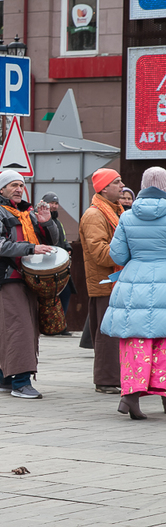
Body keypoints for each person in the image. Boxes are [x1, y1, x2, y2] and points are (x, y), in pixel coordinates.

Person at [0, 170, 58, 400]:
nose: (18, 189)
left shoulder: (28, 212)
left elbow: (52, 242)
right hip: (10, 277)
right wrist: (31, 248)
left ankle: (3, 378)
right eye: (13, 185)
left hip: (31, 277)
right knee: (20, 329)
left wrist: (47, 224)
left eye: (21, 185)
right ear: (1, 189)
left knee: (25, 328)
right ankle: (21, 382)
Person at [101, 166, 166, 420]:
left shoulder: (127, 217)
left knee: (135, 342)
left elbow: (117, 255)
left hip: (134, 282)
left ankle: (130, 397)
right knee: (163, 342)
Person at [79, 168, 125, 395]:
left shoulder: (114, 211)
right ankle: (106, 380)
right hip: (106, 283)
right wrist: (129, 252)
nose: (122, 185)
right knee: (107, 335)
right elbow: (100, 253)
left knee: (113, 333)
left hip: (114, 282)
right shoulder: (94, 215)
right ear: (104, 188)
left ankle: (114, 377)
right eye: (117, 182)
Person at [41, 191, 77, 335]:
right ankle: (50, 326)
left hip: (60, 265)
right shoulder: (40, 220)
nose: (54, 206)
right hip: (47, 264)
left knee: (66, 292)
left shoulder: (58, 222)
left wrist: (68, 249)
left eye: (56, 203)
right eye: (51, 203)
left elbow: (63, 239)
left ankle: (61, 326)